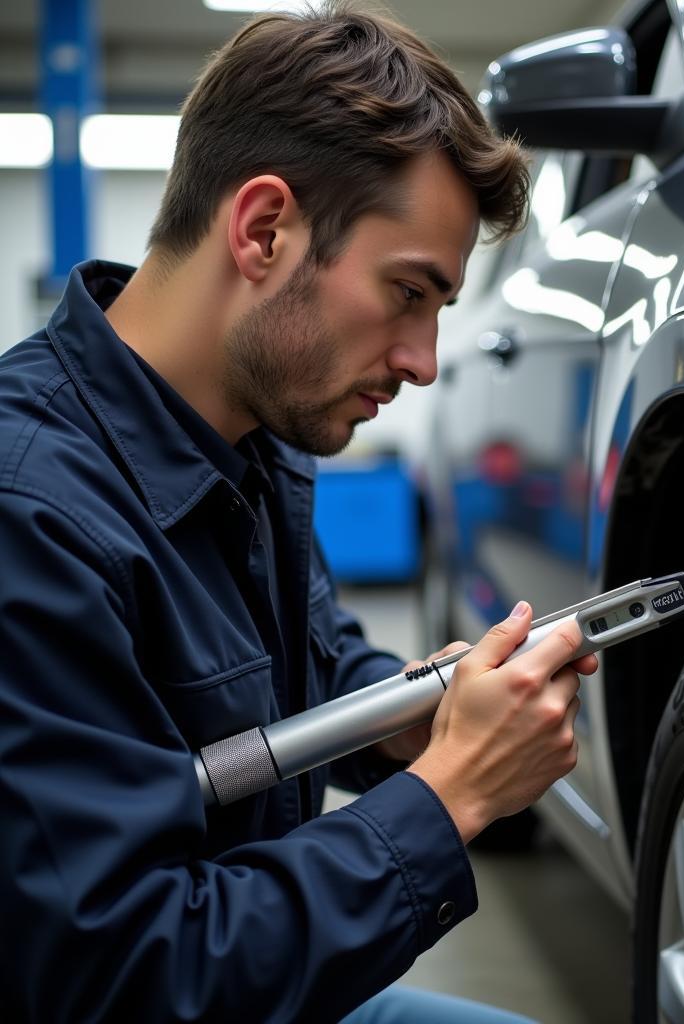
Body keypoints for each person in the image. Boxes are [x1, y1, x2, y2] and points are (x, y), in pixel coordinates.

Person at [0, 4, 597, 1022]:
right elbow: (121, 976)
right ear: (264, 230)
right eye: (408, 294)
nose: (422, 363)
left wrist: (412, 714)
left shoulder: (250, 441)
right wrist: (448, 797)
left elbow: (304, 666)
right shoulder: (32, 517)